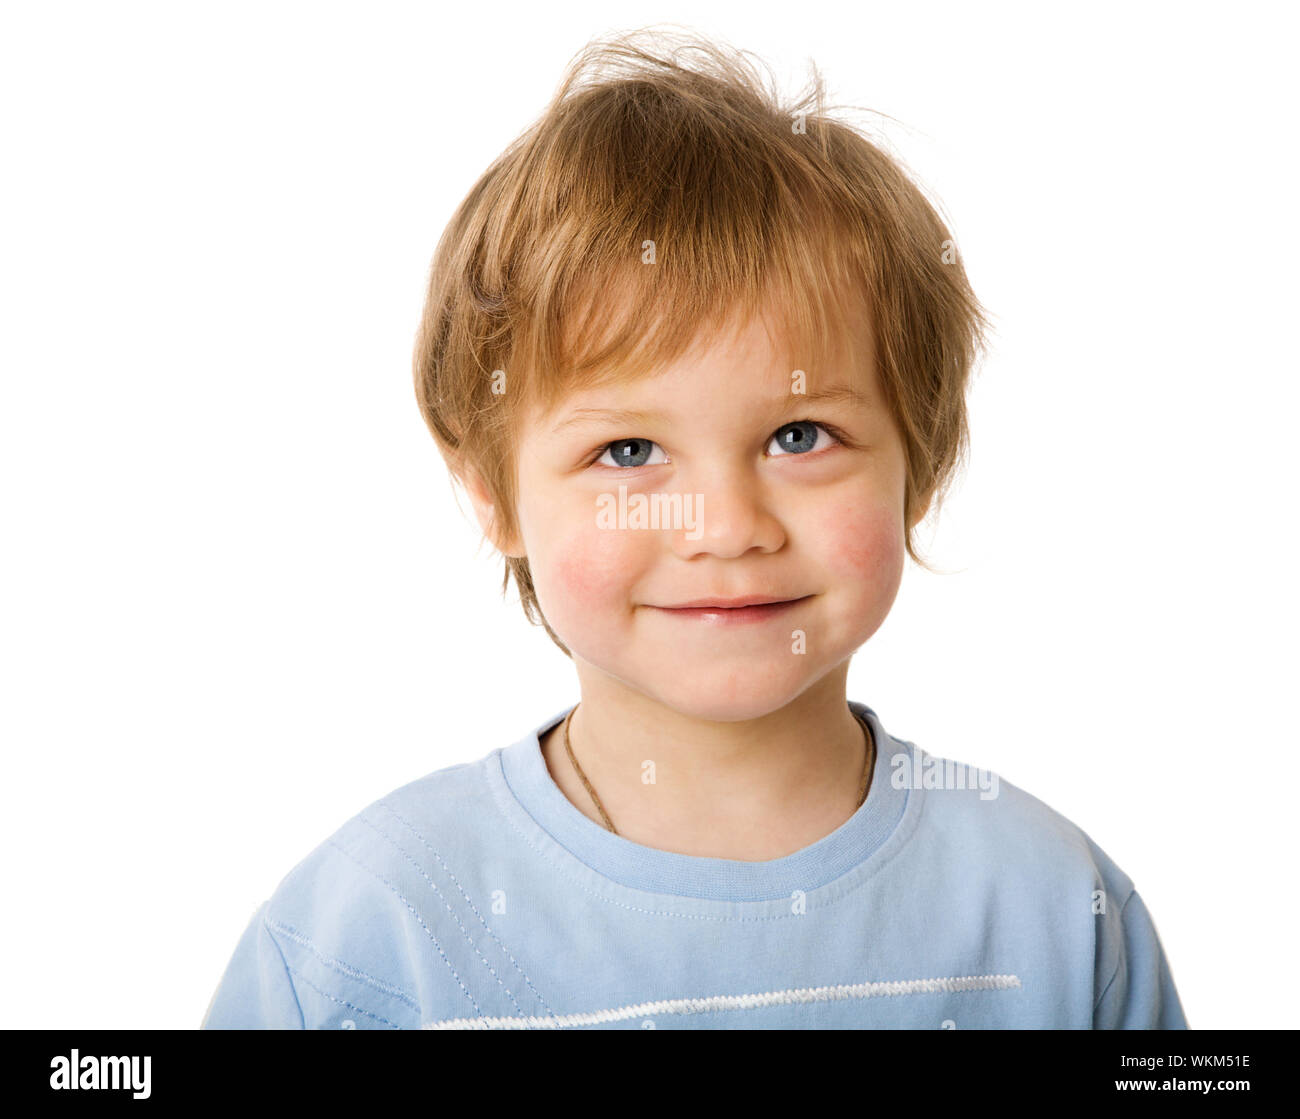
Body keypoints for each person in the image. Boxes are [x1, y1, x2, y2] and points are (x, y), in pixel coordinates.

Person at [202, 28, 1186, 1030]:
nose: (723, 527)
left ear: (920, 465)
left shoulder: (1057, 911)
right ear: (492, 494)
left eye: (800, 435)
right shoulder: (367, 936)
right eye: (628, 452)